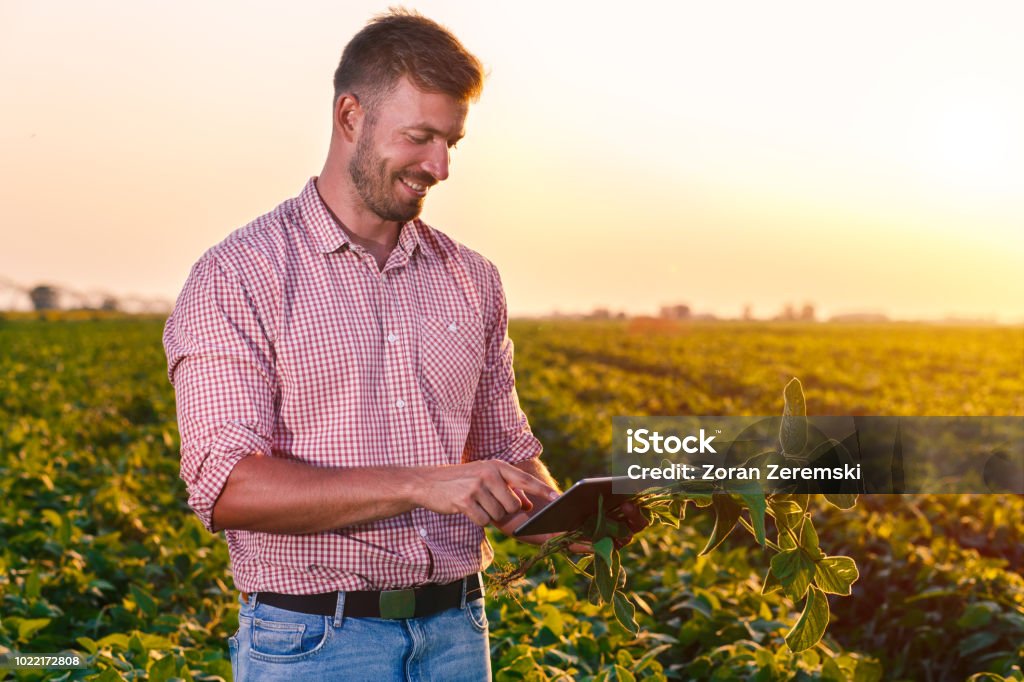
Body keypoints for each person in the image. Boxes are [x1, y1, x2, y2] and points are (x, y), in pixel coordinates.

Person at [163, 9, 644, 680]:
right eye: (420, 137)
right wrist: (425, 484)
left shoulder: (471, 278)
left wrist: (574, 520)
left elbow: (504, 454)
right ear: (351, 116)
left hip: (457, 634)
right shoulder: (239, 275)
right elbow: (227, 486)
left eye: (452, 141)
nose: (440, 166)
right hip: (315, 645)